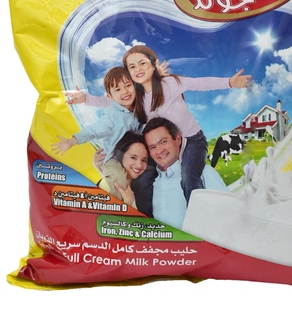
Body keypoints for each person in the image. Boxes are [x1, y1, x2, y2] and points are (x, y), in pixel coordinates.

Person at [123, 45, 251, 204]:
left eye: (142, 63)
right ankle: (149, 218)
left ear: (153, 64)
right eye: (132, 66)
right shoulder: (138, 97)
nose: (138, 69)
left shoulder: (169, 83)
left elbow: (199, 83)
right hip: (164, 146)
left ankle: (197, 215)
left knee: (188, 177)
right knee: (142, 181)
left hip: (192, 141)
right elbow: (114, 100)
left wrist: (230, 82)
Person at [142, 117, 228, 229]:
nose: (159, 151)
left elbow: (229, 216)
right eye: (153, 147)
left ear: (178, 139)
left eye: (163, 142)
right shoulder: (153, 183)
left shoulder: (204, 173)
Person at [51, 66, 145, 160]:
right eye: (118, 89)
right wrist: (71, 141)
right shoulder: (111, 116)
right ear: (110, 96)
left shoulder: (141, 103)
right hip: (114, 160)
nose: (125, 91)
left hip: (137, 156)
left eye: (128, 85)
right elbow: (92, 130)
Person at [95, 131, 149, 208]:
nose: (139, 165)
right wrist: (127, 205)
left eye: (144, 160)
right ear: (121, 155)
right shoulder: (107, 184)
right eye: (133, 158)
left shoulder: (144, 188)